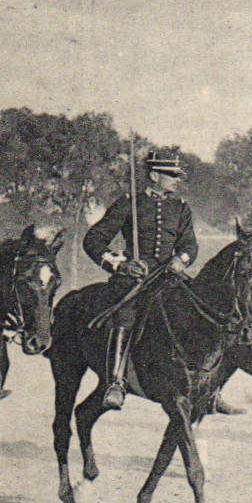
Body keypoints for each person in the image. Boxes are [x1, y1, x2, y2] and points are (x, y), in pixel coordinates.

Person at [82, 150, 198, 409]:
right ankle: (115, 381)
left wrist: (181, 259)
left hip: (168, 278)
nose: (177, 180)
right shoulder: (129, 204)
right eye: (171, 175)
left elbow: (189, 244)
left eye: (177, 175)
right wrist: (121, 264)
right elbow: (93, 240)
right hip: (135, 279)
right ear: (154, 176)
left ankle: (205, 386)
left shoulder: (181, 208)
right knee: (125, 315)